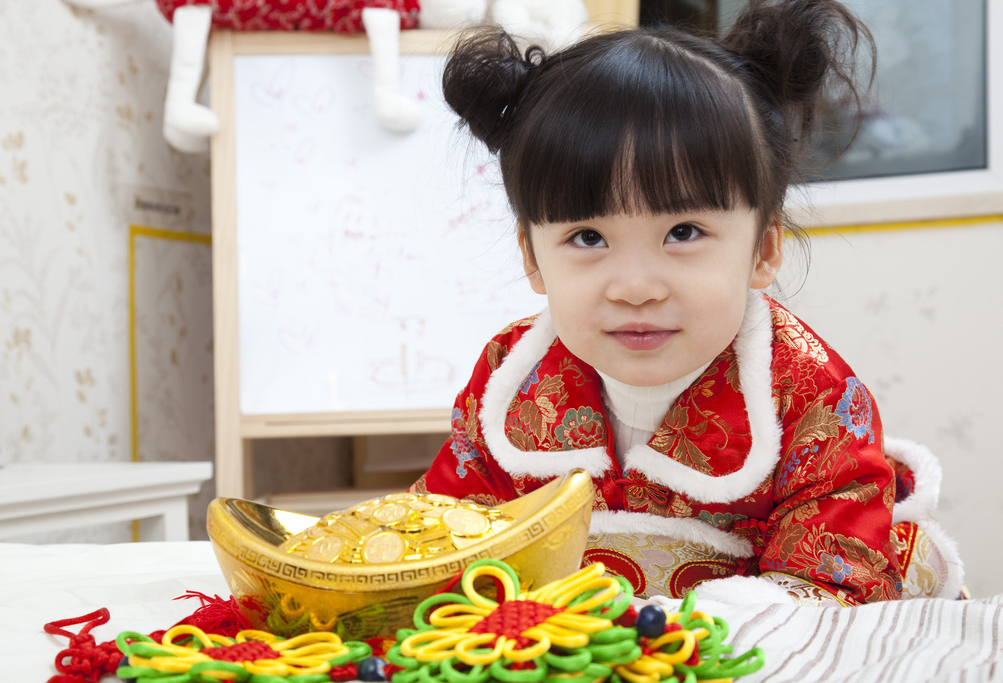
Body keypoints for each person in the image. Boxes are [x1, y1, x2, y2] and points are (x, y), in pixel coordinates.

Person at [410, 0, 963, 606]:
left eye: (683, 233)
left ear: (763, 250)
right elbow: (445, 537)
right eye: (588, 238)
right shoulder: (507, 380)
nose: (637, 286)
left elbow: (832, 585)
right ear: (533, 258)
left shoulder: (811, 395)